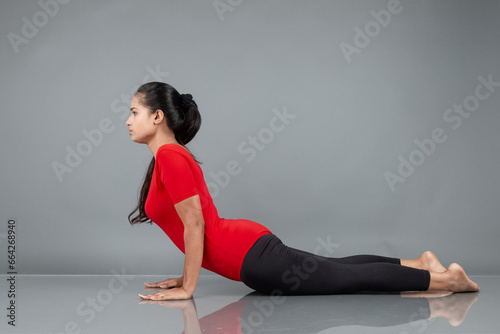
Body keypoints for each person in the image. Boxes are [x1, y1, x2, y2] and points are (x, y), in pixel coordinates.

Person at [126, 82, 479, 301]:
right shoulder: (167, 158)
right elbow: (192, 226)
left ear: (157, 117)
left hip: (250, 256)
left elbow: (195, 226)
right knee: (336, 267)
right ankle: (421, 264)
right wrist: (189, 274)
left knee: (345, 278)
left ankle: (446, 280)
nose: (128, 120)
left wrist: (189, 287)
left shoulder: (170, 156)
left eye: (134, 111)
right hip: (248, 251)